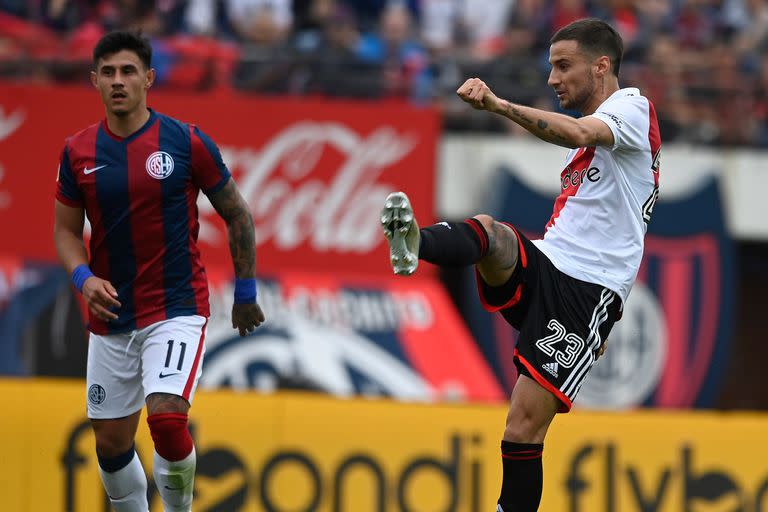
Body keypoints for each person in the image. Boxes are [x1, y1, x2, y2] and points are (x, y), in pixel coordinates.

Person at [381, 18, 660, 512]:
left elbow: (575, 131)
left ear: (601, 67)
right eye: (550, 67)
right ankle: (412, 243)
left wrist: (498, 105)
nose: (553, 79)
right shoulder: (601, 133)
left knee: (523, 427)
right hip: (551, 260)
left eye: (562, 66)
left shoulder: (632, 109)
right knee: (493, 234)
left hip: (587, 294)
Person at [53, 31, 265, 512]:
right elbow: (65, 232)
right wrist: (83, 279)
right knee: (109, 444)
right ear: (94, 81)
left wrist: (247, 290)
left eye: (128, 71)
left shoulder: (186, 141)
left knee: (167, 421)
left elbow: (237, 213)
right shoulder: (77, 152)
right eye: (107, 73)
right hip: (111, 317)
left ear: (149, 78)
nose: (118, 81)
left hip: (175, 306)